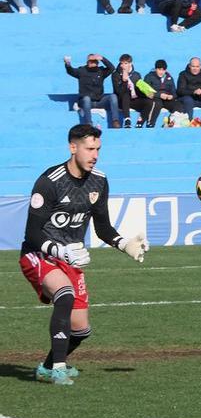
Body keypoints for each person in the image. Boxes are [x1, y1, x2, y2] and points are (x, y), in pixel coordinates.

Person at [21, 124, 149, 385]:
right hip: (39, 254)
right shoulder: (49, 182)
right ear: (73, 147)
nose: (95, 155)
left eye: (98, 149)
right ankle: (58, 368)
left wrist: (125, 244)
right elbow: (32, 234)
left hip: (71, 258)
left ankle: (46, 366)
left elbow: (102, 228)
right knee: (64, 295)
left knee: (80, 330)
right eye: (90, 149)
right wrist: (59, 250)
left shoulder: (99, 181)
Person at [64, 54, 120, 128]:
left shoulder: (101, 71)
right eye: (91, 61)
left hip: (99, 101)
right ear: (87, 62)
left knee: (113, 96)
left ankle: (115, 121)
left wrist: (102, 58)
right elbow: (71, 71)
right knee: (86, 99)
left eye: (95, 61)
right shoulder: (81, 71)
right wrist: (67, 64)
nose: (93, 62)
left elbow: (112, 68)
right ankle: (89, 123)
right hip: (86, 102)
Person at [111, 54, 159, 128]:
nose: (123, 65)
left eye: (125, 63)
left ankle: (140, 122)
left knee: (149, 102)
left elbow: (139, 91)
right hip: (121, 101)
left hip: (133, 100)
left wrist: (146, 93)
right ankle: (127, 120)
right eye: (121, 63)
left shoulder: (136, 75)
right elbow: (118, 92)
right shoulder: (115, 75)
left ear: (130, 64)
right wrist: (124, 81)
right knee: (126, 94)